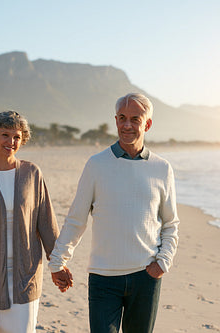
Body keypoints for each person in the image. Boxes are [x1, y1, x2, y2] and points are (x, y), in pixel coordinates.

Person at [49, 93, 180, 333]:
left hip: (146, 277)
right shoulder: (96, 165)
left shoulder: (162, 168)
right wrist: (58, 261)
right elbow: (76, 219)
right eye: (121, 118)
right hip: (103, 278)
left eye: (134, 119)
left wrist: (163, 262)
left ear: (147, 124)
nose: (126, 125)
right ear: (116, 120)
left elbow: (170, 223)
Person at [0, 111, 66, 333]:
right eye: (5, 135)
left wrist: (58, 263)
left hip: (26, 276)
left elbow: (47, 222)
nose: (11, 142)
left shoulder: (32, 173)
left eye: (17, 137)